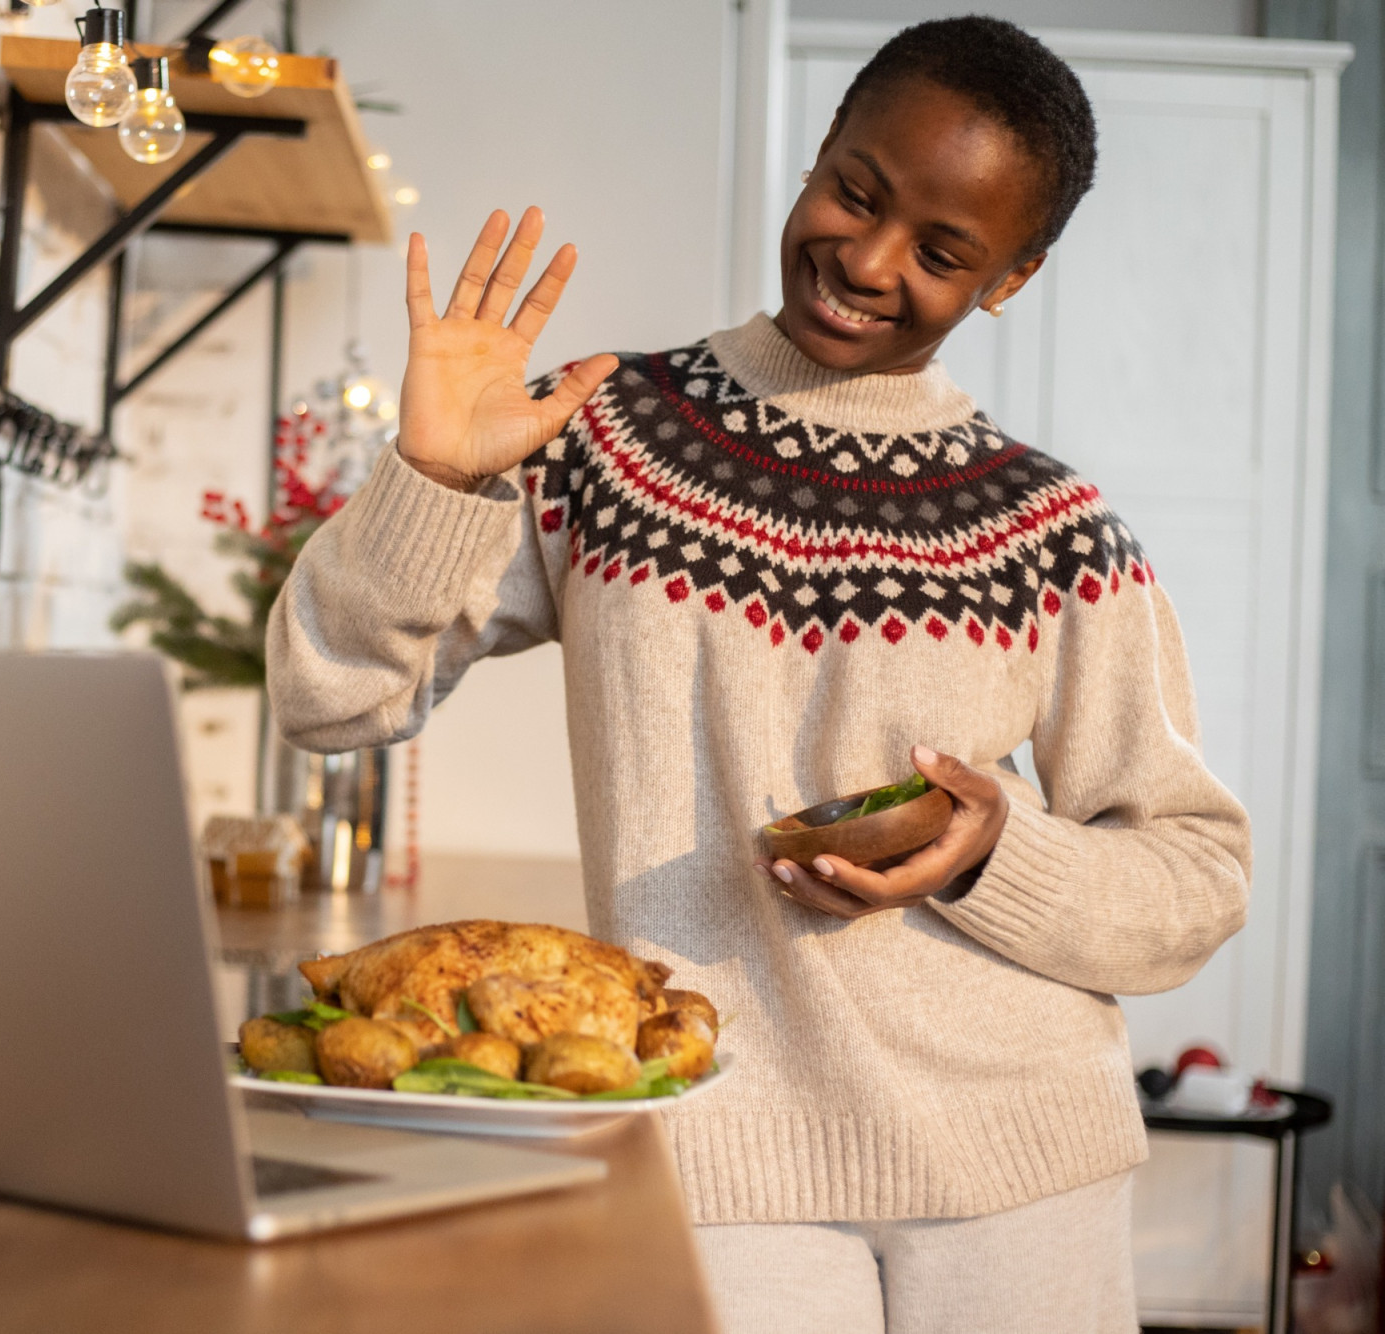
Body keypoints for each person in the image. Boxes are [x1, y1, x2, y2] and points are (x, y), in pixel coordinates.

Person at [265, 15, 1249, 1334]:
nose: (869, 257)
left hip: (1024, 1159)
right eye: (856, 189)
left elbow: (1194, 875)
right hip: (719, 1142)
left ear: (1010, 277)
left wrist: (984, 851)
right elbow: (333, 699)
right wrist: (432, 477)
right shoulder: (599, 436)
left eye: (944, 251)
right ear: (818, 155)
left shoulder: (1051, 528)